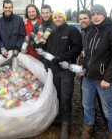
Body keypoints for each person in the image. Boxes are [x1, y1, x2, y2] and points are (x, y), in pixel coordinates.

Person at [79, 4, 112, 139]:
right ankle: (87, 131)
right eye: (93, 15)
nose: (95, 17)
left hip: (103, 80)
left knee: (108, 110)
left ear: (104, 15)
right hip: (88, 78)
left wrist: (108, 78)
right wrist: (81, 67)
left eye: (98, 14)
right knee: (87, 106)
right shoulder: (90, 31)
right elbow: (85, 53)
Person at [43, 11, 82, 139]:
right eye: (56, 17)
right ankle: (59, 118)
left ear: (64, 18)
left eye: (60, 17)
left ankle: (66, 124)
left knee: (66, 97)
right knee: (57, 95)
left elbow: (77, 48)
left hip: (66, 70)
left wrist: (61, 58)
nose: (58, 19)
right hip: (55, 70)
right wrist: (47, 64)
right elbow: (48, 51)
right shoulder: (53, 32)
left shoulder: (72, 31)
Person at [79, 9, 107, 124]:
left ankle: (108, 124)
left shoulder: (94, 31)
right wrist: (81, 65)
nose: (82, 21)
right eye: (80, 19)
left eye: (85, 18)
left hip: (98, 72)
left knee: (102, 101)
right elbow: (84, 52)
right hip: (86, 71)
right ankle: (90, 123)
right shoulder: (84, 32)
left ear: (90, 19)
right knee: (86, 101)